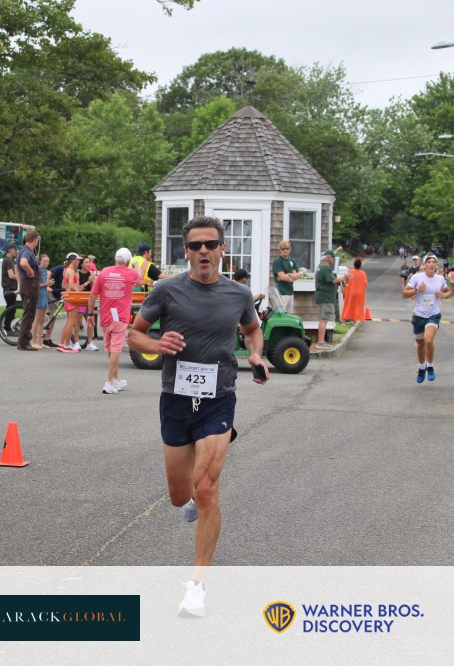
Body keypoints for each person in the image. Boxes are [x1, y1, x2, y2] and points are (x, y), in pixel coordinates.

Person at [127, 216, 267, 618]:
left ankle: (197, 587)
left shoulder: (239, 294)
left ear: (222, 249)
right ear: (185, 251)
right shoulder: (166, 290)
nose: (203, 251)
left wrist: (256, 354)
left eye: (210, 244)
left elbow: (252, 330)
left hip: (218, 399)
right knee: (179, 497)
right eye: (194, 245)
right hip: (176, 398)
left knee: (206, 490)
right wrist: (156, 343)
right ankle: (188, 499)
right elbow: (133, 334)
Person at [88, 248, 142, 394]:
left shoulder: (105, 271)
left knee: (111, 349)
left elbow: (92, 295)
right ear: (128, 261)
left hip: (105, 316)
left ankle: (116, 379)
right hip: (120, 316)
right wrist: (137, 265)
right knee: (116, 348)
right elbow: (140, 276)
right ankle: (109, 382)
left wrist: (90, 314)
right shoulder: (130, 273)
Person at [402, 253, 451, 383]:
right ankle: (421, 367)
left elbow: (448, 292)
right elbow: (404, 294)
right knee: (420, 344)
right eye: (428, 262)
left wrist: (443, 295)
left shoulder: (440, 279)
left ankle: (430, 366)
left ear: (436, 265)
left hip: (433, 314)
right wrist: (417, 290)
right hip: (419, 315)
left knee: (428, 340)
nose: (431, 264)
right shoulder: (417, 277)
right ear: (424, 264)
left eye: (433, 262)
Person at [315, 249, 347, 349]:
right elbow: (333, 280)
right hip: (325, 297)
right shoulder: (325, 267)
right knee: (324, 319)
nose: (333, 259)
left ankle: (321, 341)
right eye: (332, 257)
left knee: (322, 319)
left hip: (322, 296)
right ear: (328, 258)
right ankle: (321, 342)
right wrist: (345, 277)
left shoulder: (320, 266)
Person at [16, 230, 41, 351]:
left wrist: (20, 284)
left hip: (26, 285)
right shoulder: (27, 251)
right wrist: (31, 272)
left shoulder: (22, 250)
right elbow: (23, 263)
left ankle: (23, 341)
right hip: (30, 285)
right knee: (29, 314)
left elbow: (16, 268)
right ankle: (24, 342)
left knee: (28, 313)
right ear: (35, 240)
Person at [58, 253, 82, 352]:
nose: (79, 262)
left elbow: (64, 285)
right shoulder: (71, 271)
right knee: (71, 321)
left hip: (69, 296)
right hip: (73, 297)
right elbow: (71, 285)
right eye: (77, 260)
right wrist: (77, 291)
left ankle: (62, 343)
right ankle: (66, 345)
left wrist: (73, 288)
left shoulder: (67, 270)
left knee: (69, 321)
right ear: (72, 260)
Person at [271, 240, 302, 314]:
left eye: (287, 248)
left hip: (290, 292)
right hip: (281, 293)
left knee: (290, 315)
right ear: (280, 249)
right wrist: (293, 277)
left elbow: (298, 276)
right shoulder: (277, 261)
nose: (285, 250)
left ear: (290, 249)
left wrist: (289, 275)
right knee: (281, 314)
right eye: (283, 249)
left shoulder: (292, 261)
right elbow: (282, 277)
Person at [32, 254, 53, 351]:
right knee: (37, 319)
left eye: (47, 261)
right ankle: (34, 342)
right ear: (40, 261)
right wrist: (46, 284)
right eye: (44, 261)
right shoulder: (38, 270)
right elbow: (35, 285)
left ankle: (39, 341)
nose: (46, 263)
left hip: (44, 295)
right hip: (39, 296)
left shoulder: (45, 271)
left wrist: (48, 286)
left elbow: (44, 284)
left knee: (42, 319)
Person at [340, 257, 368, 323]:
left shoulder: (350, 272)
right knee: (357, 306)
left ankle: (344, 321)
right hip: (359, 293)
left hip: (350, 292)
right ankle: (354, 322)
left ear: (354, 265)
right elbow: (365, 283)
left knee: (348, 305)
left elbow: (346, 281)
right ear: (360, 266)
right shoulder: (363, 273)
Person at [0, 244, 18, 333]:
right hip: (9, 288)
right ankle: (7, 327)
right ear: (10, 250)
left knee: (11, 308)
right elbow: (11, 275)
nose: (16, 252)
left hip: (10, 287)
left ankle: (10, 326)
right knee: (11, 309)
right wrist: (21, 278)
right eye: (15, 250)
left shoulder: (10, 260)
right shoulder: (8, 260)